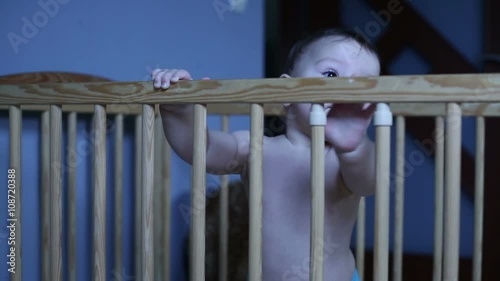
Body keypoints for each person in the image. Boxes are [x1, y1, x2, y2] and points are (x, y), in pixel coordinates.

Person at [153, 27, 379, 281]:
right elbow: (203, 150)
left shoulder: (342, 160)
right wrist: (179, 111)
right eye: (330, 74)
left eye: (360, 86)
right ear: (285, 91)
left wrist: (354, 146)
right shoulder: (257, 148)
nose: (344, 93)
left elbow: (368, 179)